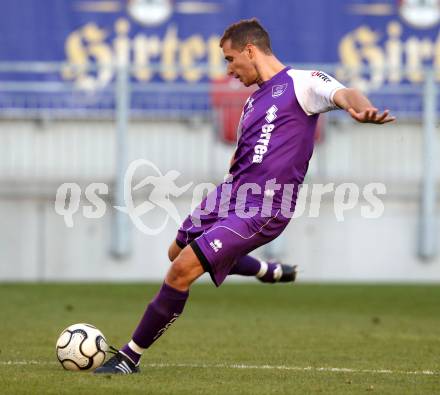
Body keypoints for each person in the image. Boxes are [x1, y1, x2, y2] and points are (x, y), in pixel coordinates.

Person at [95, 18, 395, 374]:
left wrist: (358, 109)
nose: (229, 69)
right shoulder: (253, 102)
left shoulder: (303, 83)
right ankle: (266, 270)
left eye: (230, 58)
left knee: (181, 271)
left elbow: (344, 93)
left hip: (263, 207)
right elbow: (245, 154)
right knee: (176, 250)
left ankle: (129, 358)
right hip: (230, 194)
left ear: (250, 50)